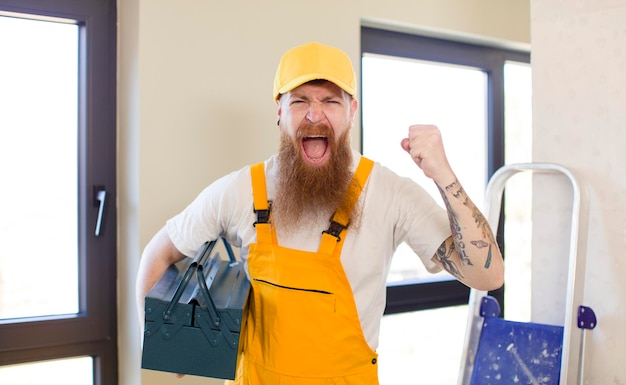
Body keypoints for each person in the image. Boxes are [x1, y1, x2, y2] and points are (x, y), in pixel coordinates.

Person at [136, 41, 504, 384]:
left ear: (352, 111)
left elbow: (487, 276)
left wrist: (443, 175)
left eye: (330, 101)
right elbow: (159, 252)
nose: (315, 114)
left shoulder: (390, 193)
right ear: (279, 111)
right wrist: (165, 345)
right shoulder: (240, 191)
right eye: (299, 101)